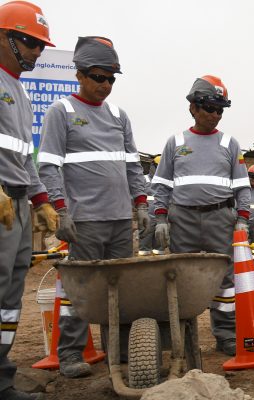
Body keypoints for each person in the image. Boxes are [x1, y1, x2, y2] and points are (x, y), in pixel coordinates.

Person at [39, 36, 149, 377]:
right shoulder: (62, 112)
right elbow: (48, 165)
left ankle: (120, 350)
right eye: (99, 77)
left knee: (121, 288)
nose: (105, 85)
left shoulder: (119, 115)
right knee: (80, 291)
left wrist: (141, 204)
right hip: (84, 222)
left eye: (111, 79)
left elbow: (133, 164)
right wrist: (61, 209)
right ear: (81, 75)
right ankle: (71, 354)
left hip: (119, 219)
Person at [151, 75, 249, 357]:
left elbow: (242, 186)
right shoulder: (176, 142)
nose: (215, 115)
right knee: (182, 278)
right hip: (183, 220)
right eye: (210, 108)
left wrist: (241, 219)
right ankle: (184, 337)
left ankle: (226, 335)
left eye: (221, 110)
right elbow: (162, 185)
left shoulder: (230, 143)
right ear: (193, 107)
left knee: (224, 280)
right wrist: (160, 218)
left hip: (220, 219)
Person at [0, 2, 58, 398]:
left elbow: (24, 154)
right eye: (29, 41)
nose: (37, 51)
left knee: (8, 296)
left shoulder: (18, 91)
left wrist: (41, 200)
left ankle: (1, 378)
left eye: (40, 45)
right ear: (4, 37)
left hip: (17, 205)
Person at [138, 156, 161, 256]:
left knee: (160, 241)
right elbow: (137, 194)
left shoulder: (165, 180)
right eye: (158, 167)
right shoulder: (144, 179)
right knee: (145, 237)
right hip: (147, 214)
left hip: (161, 214)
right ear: (153, 166)